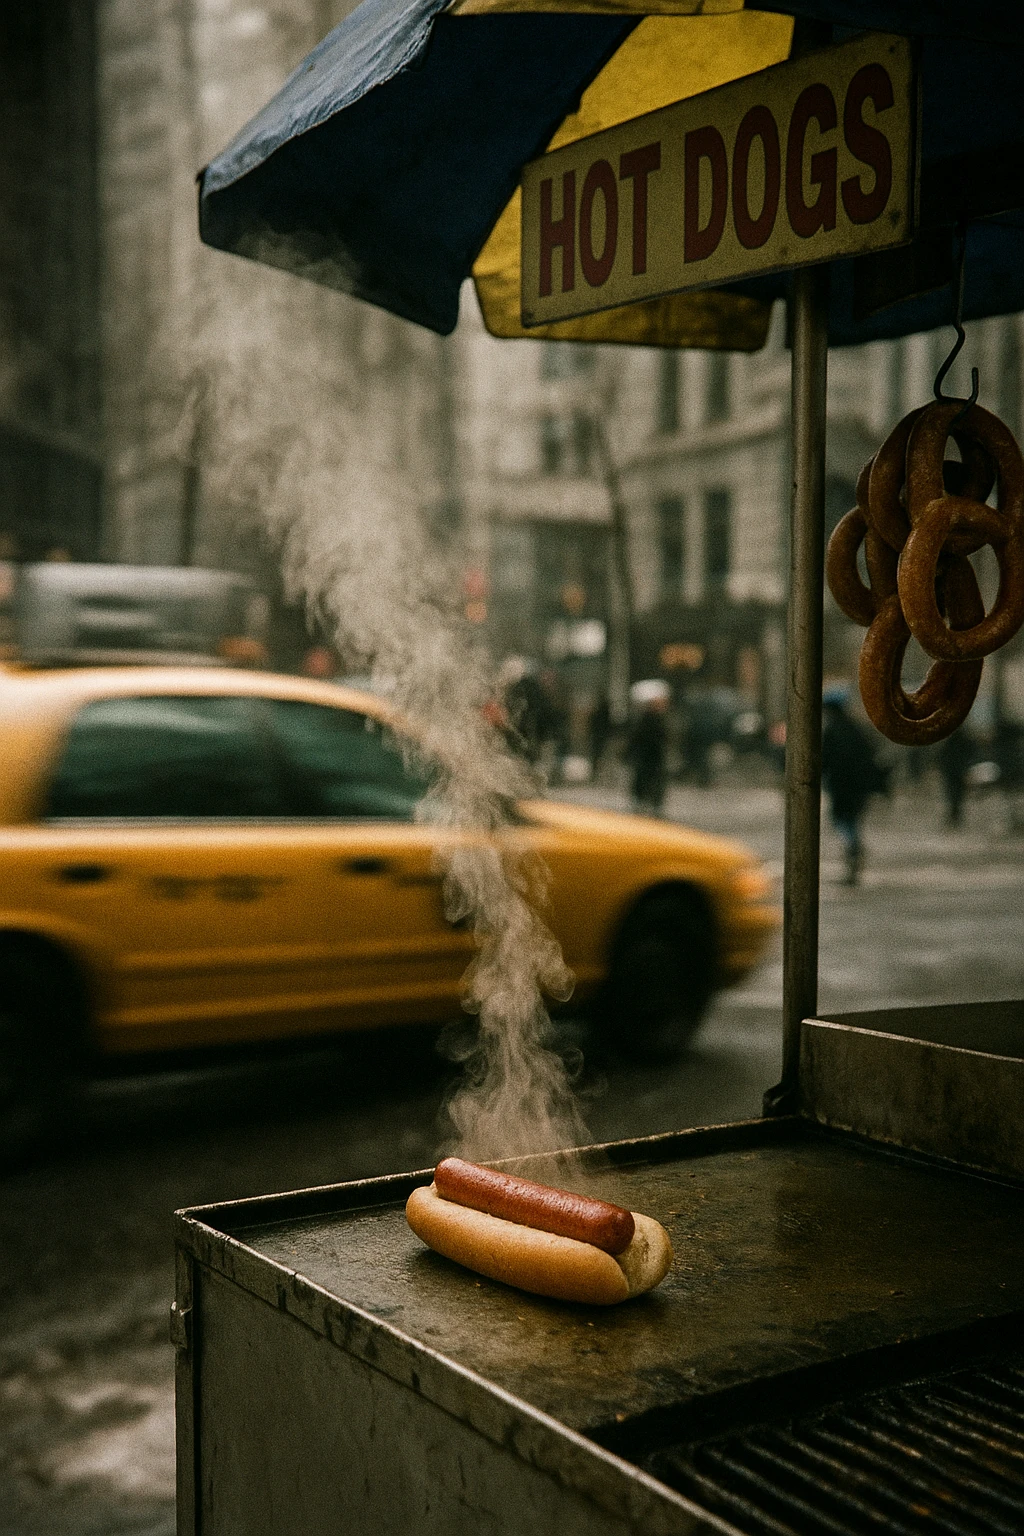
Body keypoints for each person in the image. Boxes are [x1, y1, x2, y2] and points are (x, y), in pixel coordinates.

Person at [820, 688, 887, 885]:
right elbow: (871, 754)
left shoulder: (832, 731)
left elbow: (825, 759)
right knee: (852, 821)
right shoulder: (856, 729)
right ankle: (853, 852)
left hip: (841, 786)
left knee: (843, 822)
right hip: (858, 787)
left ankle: (852, 850)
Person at [626, 679, 670, 814]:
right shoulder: (651, 720)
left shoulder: (648, 719)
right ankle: (649, 803)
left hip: (650, 756)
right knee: (648, 779)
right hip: (649, 756)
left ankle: (648, 802)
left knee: (648, 779)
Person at [936, 725, 974, 828]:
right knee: (957, 795)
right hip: (957, 771)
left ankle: (954, 817)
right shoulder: (965, 740)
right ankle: (955, 817)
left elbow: (943, 756)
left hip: (952, 771)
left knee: (953, 795)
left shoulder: (949, 741)